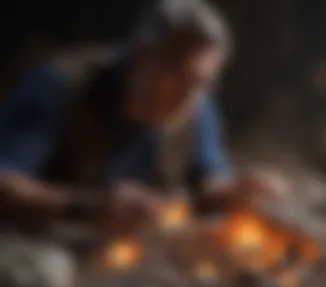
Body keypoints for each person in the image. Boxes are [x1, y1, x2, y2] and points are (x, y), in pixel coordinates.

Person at [0, 0, 281, 239]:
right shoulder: (63, 86)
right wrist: (88, 207)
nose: (190, 96)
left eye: (204, 83)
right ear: (139, 54)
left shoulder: (197, 105)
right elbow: (6, 182)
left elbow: (207, 182)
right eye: (180, 77)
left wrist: (237, 193)